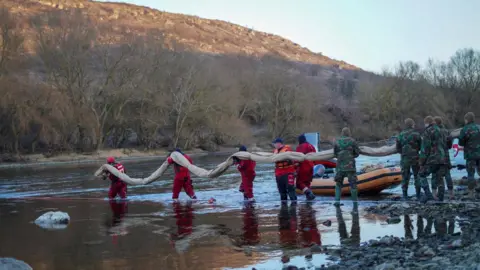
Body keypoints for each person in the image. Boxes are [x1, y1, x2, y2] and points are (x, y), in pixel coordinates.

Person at [418, 116, 447, 202]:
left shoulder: (427, 131)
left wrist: (421, 162)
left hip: (432, 158)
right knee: (440, 177)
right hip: (442, 158)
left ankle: (428, 195)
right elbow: (446, 144)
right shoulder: (441, 130)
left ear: (427, 123)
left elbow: (425, 149)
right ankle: (441, 197)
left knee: (421, 175)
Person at [396, 118, 422, 200]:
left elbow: (398, 148)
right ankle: (418, 194)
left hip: (404, 158)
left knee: (405, 176)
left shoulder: (400, 135)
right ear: (412, 124)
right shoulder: (416, 134)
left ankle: (405, 195)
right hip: (415, 158)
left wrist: (403, 153)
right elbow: (421, 146)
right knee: (417, 175)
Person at [333, 127, 360, 206]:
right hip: (350, 166)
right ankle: (355, 203)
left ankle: (337, 202)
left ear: (342, 133)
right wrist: (351, 156)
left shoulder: (337, 142)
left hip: (340, 167)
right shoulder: (353, 141)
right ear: (349, 133)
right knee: (353, 185)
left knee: (338, 184)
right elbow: (357, 153)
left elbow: (335, 154)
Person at [458, 112, 480, 199]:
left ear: (466, 119)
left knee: (471, 173)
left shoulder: (465, 129)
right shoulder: (479, 127)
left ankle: (471, 193)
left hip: (470, 155)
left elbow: (461, 143)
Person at [433, 116, 454, 200]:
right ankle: (451, 194)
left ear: (435, 123)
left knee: (436, 175)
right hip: (446, 155)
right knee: (447, 174)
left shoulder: (434, 131)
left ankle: (435, 193)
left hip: (437, 157)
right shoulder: (447, 131)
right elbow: (450, 146)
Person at [295, 134, 316, 201]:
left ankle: (309, 193)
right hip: (311, 166)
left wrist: (295, 168)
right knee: (307, 183)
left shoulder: (300, 147)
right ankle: (309, 198)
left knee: (299, 183)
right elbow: (316, 156)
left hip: (303, 167)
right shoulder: (311, 146)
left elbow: (297, 158)